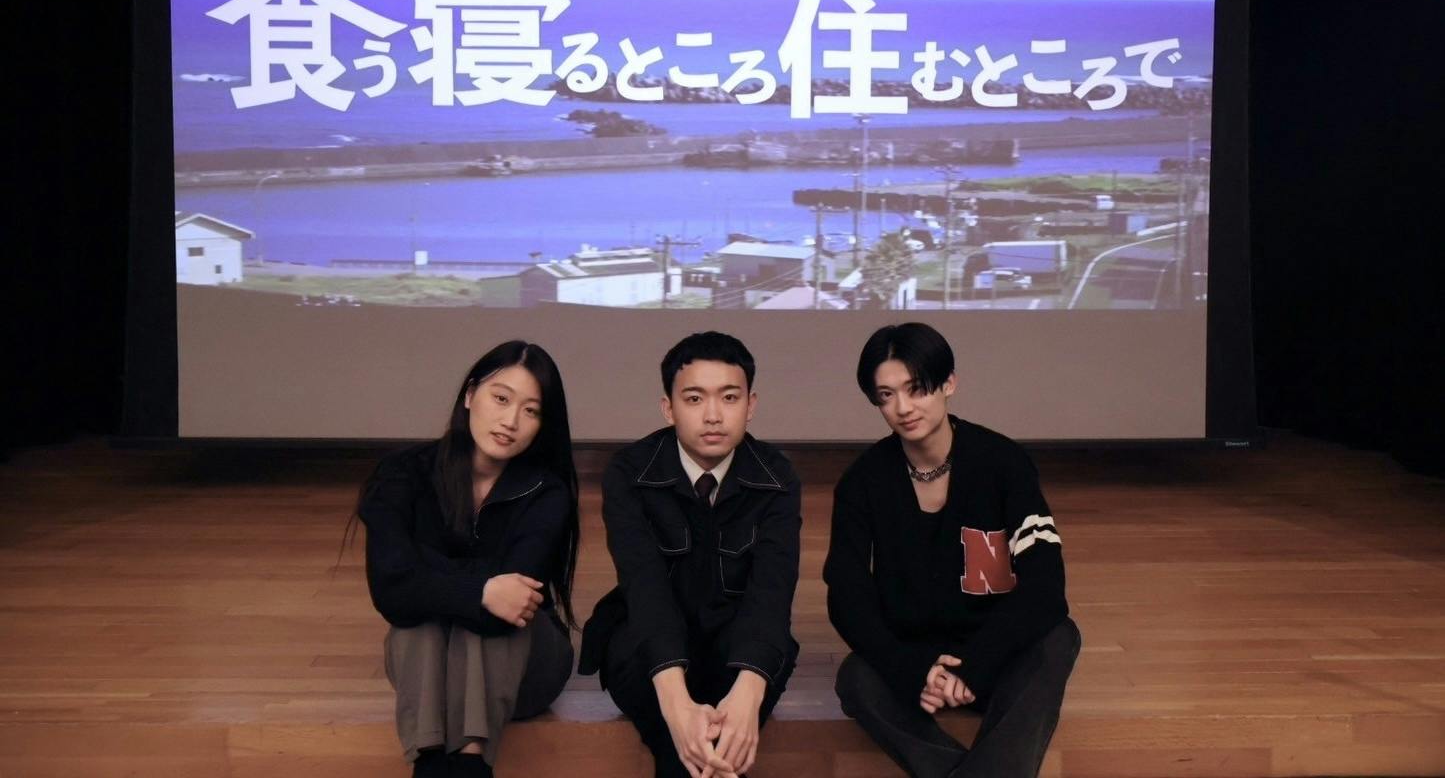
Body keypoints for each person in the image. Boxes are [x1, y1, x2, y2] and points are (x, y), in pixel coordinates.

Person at [824, 322, 1080, 778]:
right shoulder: (863, 481)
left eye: (916, 389)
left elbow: (1045, 586)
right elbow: (846, 595)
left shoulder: (1004, 463)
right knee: (856, 678)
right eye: (886, 396)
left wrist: (974, 667)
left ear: (949, 383)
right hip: (916, 658)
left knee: (1059, 637)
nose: (903, 408)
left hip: (995, 650)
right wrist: (914, 670)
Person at [579, 331, 801, 778]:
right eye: (695, 399)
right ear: (669, 408)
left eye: (730, 397)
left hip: (738, 641)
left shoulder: (777, 477)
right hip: (645, 643)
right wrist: (676, 702)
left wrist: (749, 692)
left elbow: (772, 595)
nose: (713, 415)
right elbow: (644, 587)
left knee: (751, 678)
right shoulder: (630, 473)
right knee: (662, 700)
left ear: (751, 405)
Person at [356, 341, 580, 778]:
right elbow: (390, 588)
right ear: (470, 394)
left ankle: (470, 760)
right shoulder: (403, 473)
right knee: (420, 621)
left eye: (531, 411)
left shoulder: (547, 492)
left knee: (496, 616)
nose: (510, 421)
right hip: (429, 670)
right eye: (501, 399)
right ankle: (432, 763)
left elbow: (512, 603)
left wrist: (425, 569)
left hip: (526, 668)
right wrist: (482, 588)